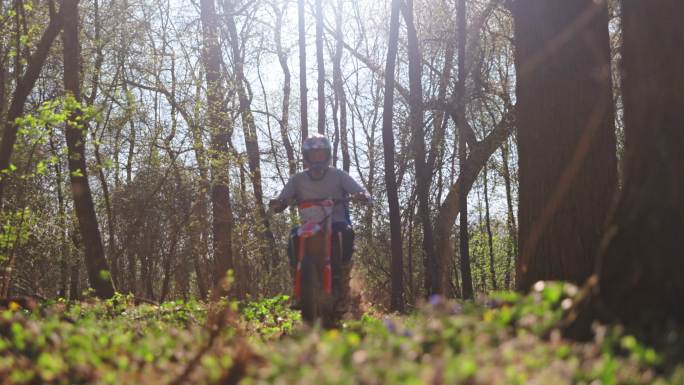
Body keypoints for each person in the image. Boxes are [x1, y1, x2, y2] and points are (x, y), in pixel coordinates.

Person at [269, 134, 369, 317]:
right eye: (313, 155)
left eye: (321, 155)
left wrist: (362, 195)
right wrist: (279, 202)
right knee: (293, 235)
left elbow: (359, 190)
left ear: (328, 155)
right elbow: (284, 196)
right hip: (310, 225)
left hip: (336, 222)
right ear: (307, 157)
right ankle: (297, 287)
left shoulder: (338, 175)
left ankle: (343, 284)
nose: (317, 159)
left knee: (345, 233)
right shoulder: (297, 179)